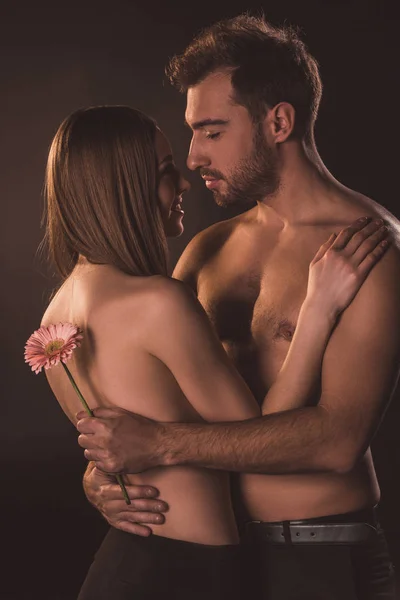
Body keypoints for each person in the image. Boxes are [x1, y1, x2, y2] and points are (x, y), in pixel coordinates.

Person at [78, 14, 400, 599]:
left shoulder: (368, 247)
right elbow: (151, 398)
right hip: (215, 559)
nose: (193, 156)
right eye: (193, 132)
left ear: (278, 121)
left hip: (320, 557)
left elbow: (336, 441)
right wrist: (101, 474)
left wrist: (162, 444)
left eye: (213, 131)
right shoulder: (209, 249)